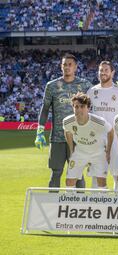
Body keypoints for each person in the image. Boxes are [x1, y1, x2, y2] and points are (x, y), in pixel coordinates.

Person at [35, 54, 93, 189]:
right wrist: (40, 131)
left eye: (70, 64)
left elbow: (93, 107)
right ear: (61, 66)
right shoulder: (52, 86)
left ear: (75, 67)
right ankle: (53, 204)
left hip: (79, 137)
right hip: (58, 137)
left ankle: (80, 206)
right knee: (56, 172)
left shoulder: (84, 85)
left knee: (78, 173)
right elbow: (44, 109)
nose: (67, 67)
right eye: (64, 64)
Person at [87, 61, 118, 189]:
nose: (103, 72)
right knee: (96, 174)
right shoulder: (92, 91)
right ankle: (96, 205)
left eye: (106, 70)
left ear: (112, 72)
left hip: (115, 137)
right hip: (96, 138)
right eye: (100, 70)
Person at [63, 92, 113, 189]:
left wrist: (108, 151)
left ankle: (103, 203)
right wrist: (71, 149)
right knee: (69, 181)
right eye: (76, 107)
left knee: (101, 182)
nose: (79, 109)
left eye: (82, 106)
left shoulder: (98, 121)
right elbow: (67, 131)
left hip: (98, 153)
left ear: (88, 108)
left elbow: (110, 131)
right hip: (80, 152)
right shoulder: (67, 121)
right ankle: (70, 203)